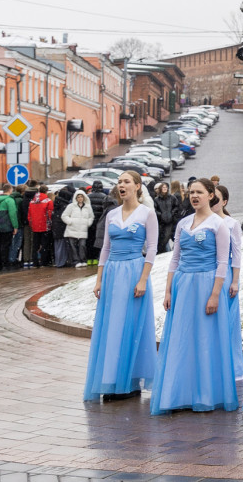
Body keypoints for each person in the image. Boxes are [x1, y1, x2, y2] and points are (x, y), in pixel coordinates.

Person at [151, 178, 237, 414]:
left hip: (207, 284)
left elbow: (222, 262)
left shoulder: (219, 225)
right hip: (184, 285)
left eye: (199, 192)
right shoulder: (183, 223)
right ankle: (181, 391)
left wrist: (215, 295)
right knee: (182, 338)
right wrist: (168, 290)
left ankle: (207, 393)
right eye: (191, 192)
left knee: (206, 339)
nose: (194, 196)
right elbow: (175, 259)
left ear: (211, 195)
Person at [85, 172, 158, 401]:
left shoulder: (147, 213)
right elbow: (105, 248)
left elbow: (153, 248)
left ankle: (131, 381)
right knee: (111, 327)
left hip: (135, 270)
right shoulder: (111, 214)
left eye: (126, 182)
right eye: (119, 182)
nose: (121, 185)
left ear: (138, 186)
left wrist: (143, 279)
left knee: (131, 326)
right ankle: (111, 379)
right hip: (113, 273)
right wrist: (99, 279)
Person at [212, 185, 243, 381]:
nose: (213, 201)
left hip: (225, 277)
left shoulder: (232, 224)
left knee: (227, 322)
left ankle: (230, 366)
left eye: (217, 198)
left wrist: (235, 281)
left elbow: (237, 255)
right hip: (207, 273)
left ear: (224, 202)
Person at [62, 190, 95, 269]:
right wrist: (70, 222)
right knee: (73, 247)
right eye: (78, 197)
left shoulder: (88, 207)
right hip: (72, 229)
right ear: (76, 198)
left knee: (82, 245)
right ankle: (76, 261)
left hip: (83, 230)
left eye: (81, 197)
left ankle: (83, 260)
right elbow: (64, 215)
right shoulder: (71, 206)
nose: (80, 198)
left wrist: (88, 223)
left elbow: (91, 216)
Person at [0, 185, 17, 272]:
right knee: (5, 245)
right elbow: (13, 214)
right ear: (10, 190)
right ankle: (5, 263)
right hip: (6, 226)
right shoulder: (10, 200)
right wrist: (15, 226)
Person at [27, 185, 54, 267]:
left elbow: (29, 215)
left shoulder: (32, 201)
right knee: (45, 245)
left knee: (35, 245)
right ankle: (44, 261)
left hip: (35, 226)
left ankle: (35, 261)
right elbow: (50, 214)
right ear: (46, 191)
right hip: (45, 225)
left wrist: (32, 224)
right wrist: (51, 224)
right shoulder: (48, 201)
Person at [86, 181, 110, 266]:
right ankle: (97, 258)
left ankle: (89, 258)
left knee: (89, 240)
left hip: (90, 222)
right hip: (100, 222)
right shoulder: (104, 197)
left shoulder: (88, 197)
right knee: (98, 241)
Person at [51, 185, 74, 267]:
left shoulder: (56, 203)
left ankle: (59, 261)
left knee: (58, 245)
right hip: (62, 227)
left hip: (56, 227)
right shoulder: (65, 206)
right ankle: (61, 262)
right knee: (62, 245)